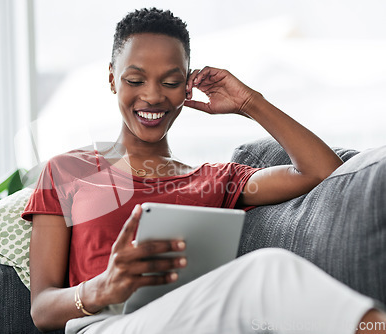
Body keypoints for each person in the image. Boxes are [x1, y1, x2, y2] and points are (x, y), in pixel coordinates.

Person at [22, 7, 386, 334]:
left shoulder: (214, 179)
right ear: (113, 79)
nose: (152, 96)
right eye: (135, 80)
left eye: (170, 81)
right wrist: (102, 287)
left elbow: (326, 173)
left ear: (187, 86)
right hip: (102, 325)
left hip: (202, 319)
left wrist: (249, 102)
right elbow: (42, 309)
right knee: (266, 272)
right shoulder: (67, 171)